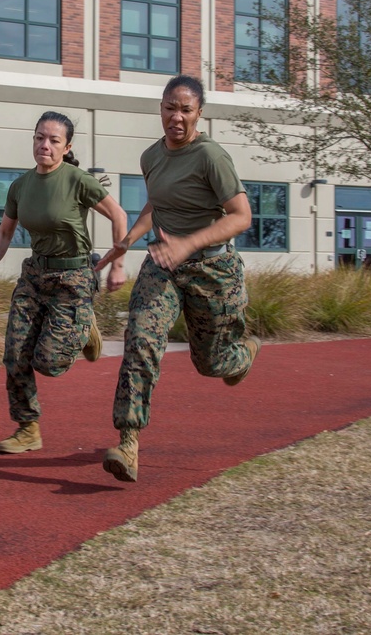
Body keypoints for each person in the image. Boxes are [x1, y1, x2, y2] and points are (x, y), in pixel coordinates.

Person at [95, 74, 260, 483]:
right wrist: (128, 240)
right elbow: (157, 202)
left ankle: (244, 352)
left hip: (212, 269)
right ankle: (128, 441)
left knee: (211, 363)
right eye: (170, 108)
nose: (177, 117)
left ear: (199, 114)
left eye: (186, 110)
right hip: (164, 265)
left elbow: (242, 216)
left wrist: (189, 245)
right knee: (141, 340)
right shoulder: (150, 157)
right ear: (161, 109)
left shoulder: (211, 157)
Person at [0, 111, 129, 454]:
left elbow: (120, 216)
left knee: (49, 362)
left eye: (53, 140)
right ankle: (28, 428)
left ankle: (84, 325)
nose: (44, 145)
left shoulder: (78, 180)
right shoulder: (20, 186)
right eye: (39, 138)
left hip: (73, 278)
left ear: (66, 147)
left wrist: (116, 265)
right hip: (34, 276)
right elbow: (5, 232)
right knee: (15, 354)